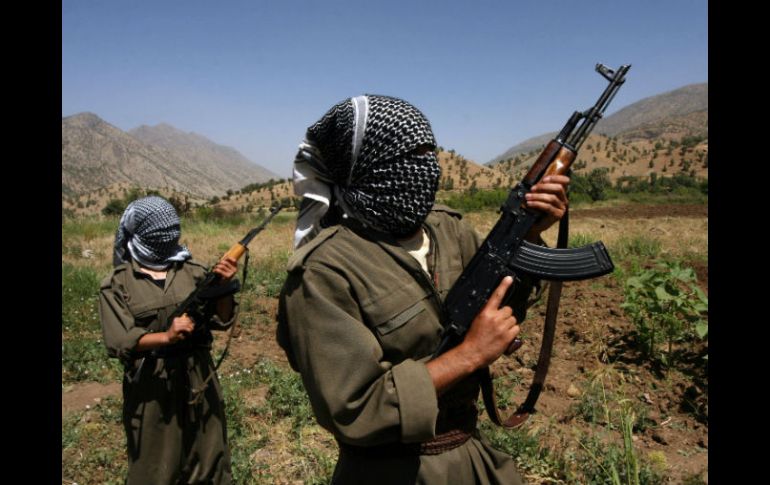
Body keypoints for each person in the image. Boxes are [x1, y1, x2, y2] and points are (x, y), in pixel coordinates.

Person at [277, 94, 569, 484]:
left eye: (430, 151)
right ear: (370, 168)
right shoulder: (323, 271)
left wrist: (529, 233)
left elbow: (498, 302)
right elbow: (352, 409)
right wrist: (468, 356)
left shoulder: (448, 230)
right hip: (392, 471)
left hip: (471, 455)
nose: (428, 166)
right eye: (411, 155)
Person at [99, 195, 239, 485]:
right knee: (154, 466)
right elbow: (119, 340)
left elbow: (222, 320)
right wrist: (166, 336)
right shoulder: (119, 282)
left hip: (199, 376)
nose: (169, 232)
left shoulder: (194, 272)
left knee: (209, 457)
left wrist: (224, 287)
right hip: (152, 382)